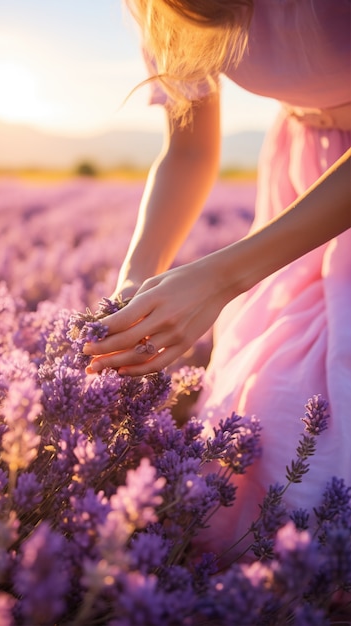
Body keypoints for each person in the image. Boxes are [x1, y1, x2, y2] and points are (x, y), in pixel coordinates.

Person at [84, 0, 351, 553]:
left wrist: (221, 279)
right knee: (270, 428)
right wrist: (136, 278)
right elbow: (188, 147)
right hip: (301, 183)